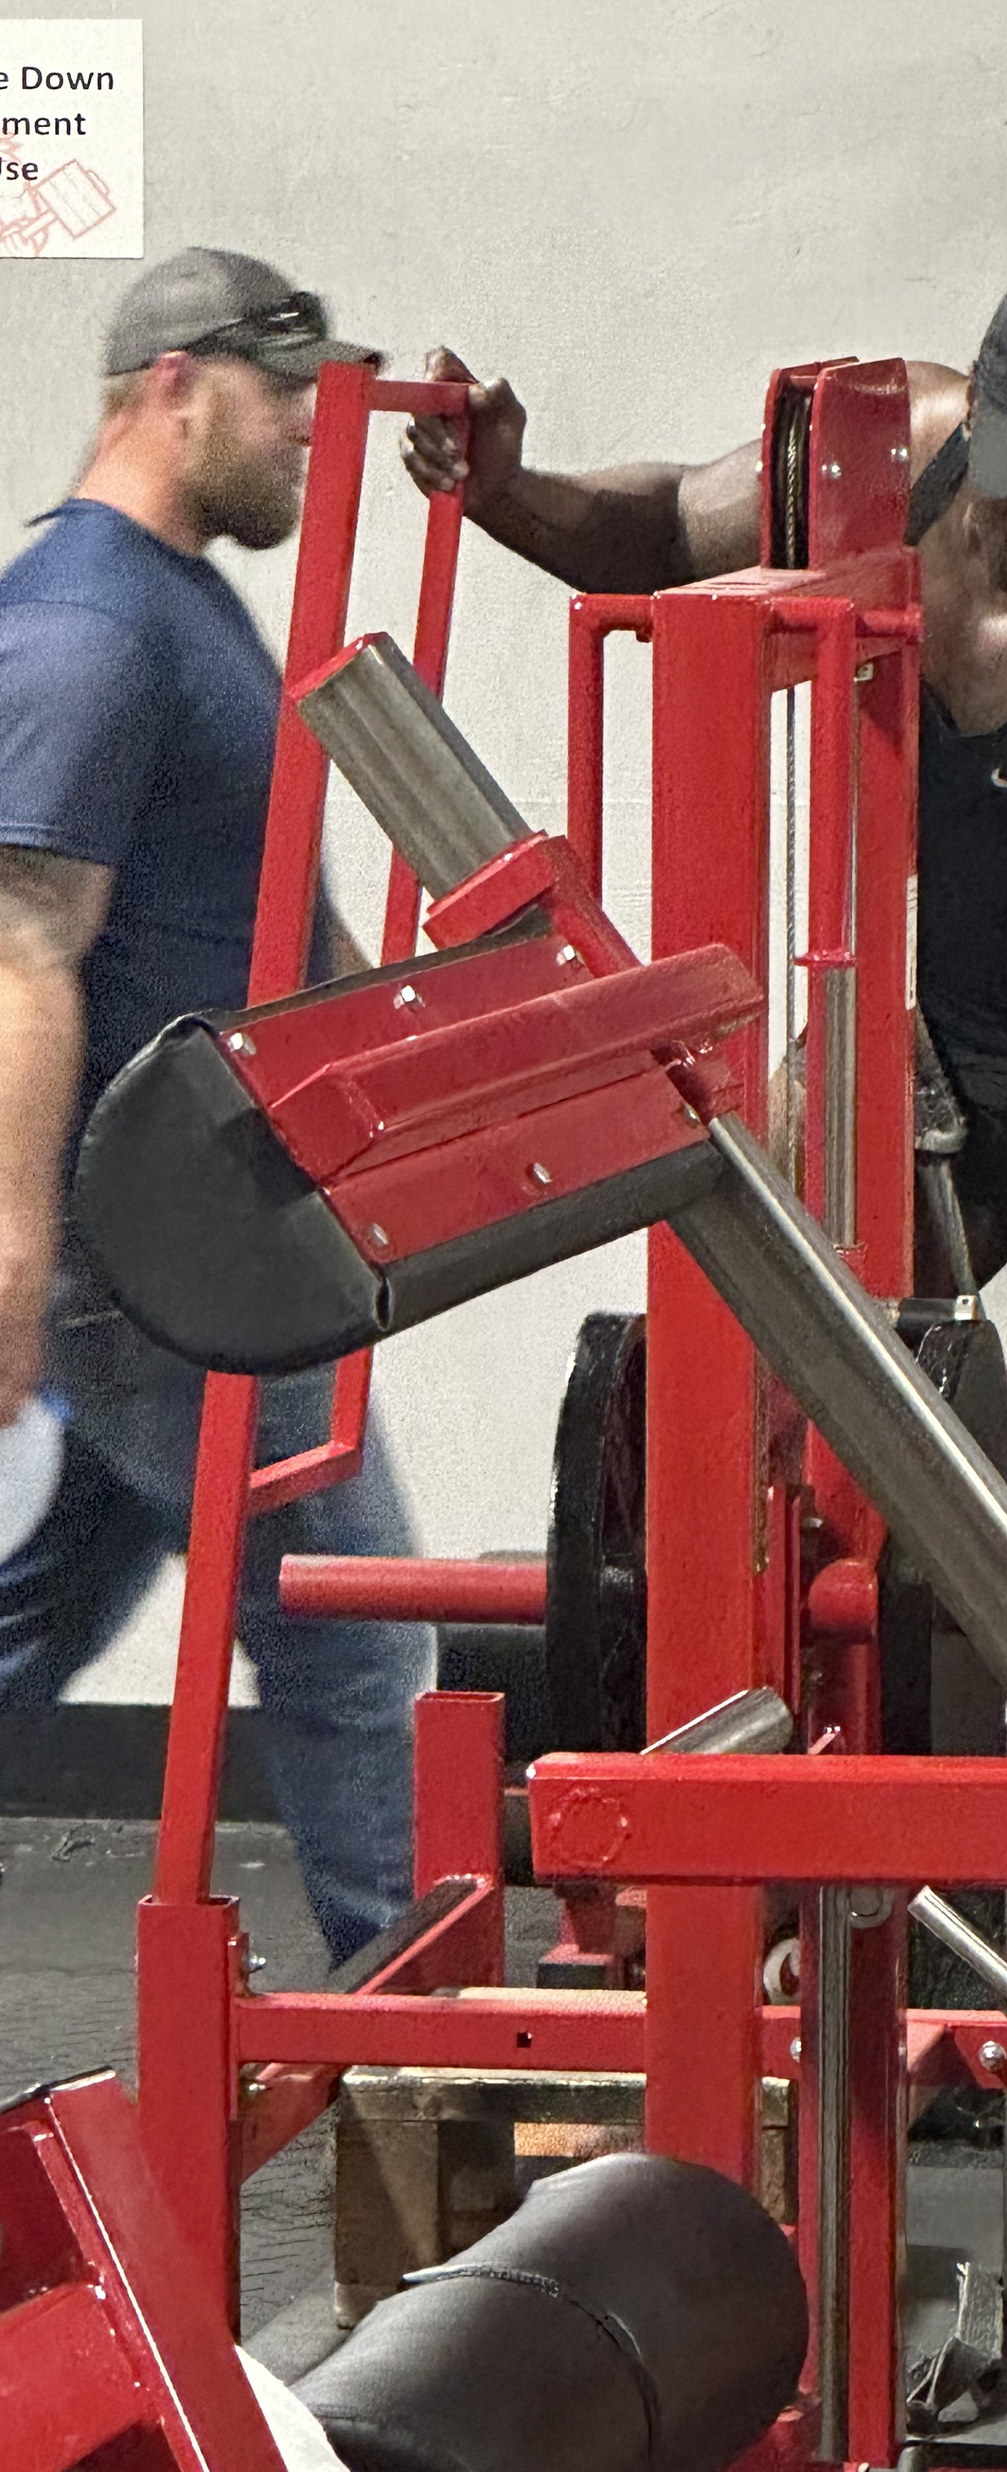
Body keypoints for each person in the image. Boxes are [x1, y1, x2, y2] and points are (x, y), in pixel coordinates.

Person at [404, 259, 1007, 1710]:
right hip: (931, 1020)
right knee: (742, 1412)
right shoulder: (884, 458)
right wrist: (507, 491)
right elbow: (669, 527)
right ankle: (768, 1812)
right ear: (976, 413)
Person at [0, 248, 432, 1961]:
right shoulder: (88, 624)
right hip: (154, 1259)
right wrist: (15, 1255)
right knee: (348, 1625)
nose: (309, 432)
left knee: (34, 1619)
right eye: (283, 397)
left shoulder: (178, 598)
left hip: (198, 1228)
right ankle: (412, 2017)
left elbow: (258, 899)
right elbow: (25, 951)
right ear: (172, 388)